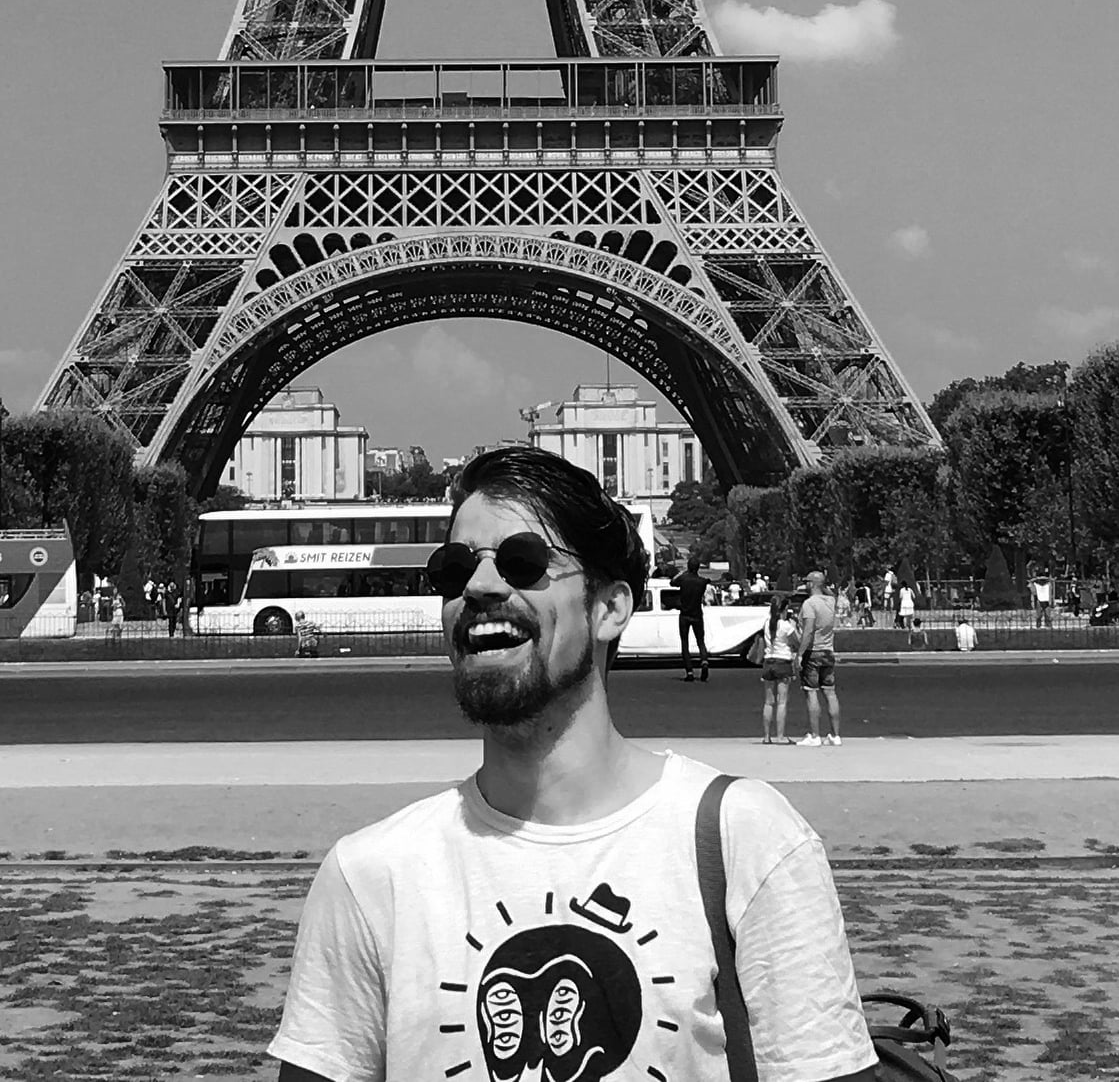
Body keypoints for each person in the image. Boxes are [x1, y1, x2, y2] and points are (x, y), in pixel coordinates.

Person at [269, 446, 878, 1082]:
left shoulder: (750, 842)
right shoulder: (367, 877)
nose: (478, 587)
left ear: (610, 608)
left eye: (523, 562)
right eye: (454, 568)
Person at [797, 569, 843, 747]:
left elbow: (808, 630)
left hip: (813, 651)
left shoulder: (809, 604)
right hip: (828, 650)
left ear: (811, 584)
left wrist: (799, 654)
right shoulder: (830, 601)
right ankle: (835, 735)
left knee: (811, 692)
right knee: (830, 692)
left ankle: (815, 735)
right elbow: (831, 593)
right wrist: (823, 585)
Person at [759, 595, 801, 744]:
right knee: (782, 701)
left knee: (768, 702)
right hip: (783, 661)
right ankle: (780, 736)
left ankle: (766, 736)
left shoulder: (766, 623)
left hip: (768, 661)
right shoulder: (785, 625)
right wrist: (795, 626)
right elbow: (797, 642)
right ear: (784, 609)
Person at [672, 555, 710, 683]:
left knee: (685, 643)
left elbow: (672, 582)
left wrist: (682, 573)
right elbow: (706, 582)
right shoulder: (702, 582)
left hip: (684, 614)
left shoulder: (684, 579)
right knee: (700, 641)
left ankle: (689, 672)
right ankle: (704, 661)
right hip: (697, 613)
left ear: (688, 567)